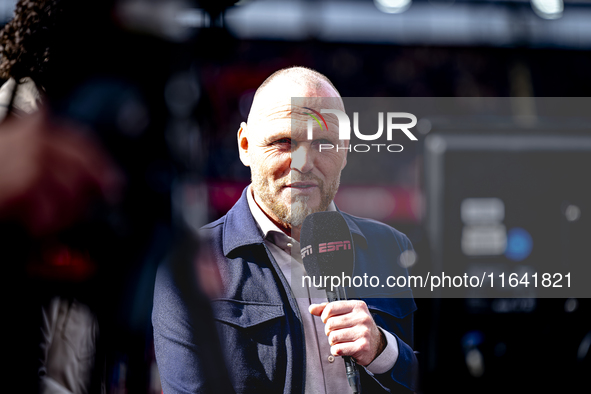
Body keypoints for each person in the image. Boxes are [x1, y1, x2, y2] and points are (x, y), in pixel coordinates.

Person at [153, 66, 418, 393]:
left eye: (323, 142)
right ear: (245, 146)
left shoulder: (391, 247)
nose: (303, 162)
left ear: (345, 149)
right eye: (282, 141)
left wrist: (383, 350)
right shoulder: (188, 264)